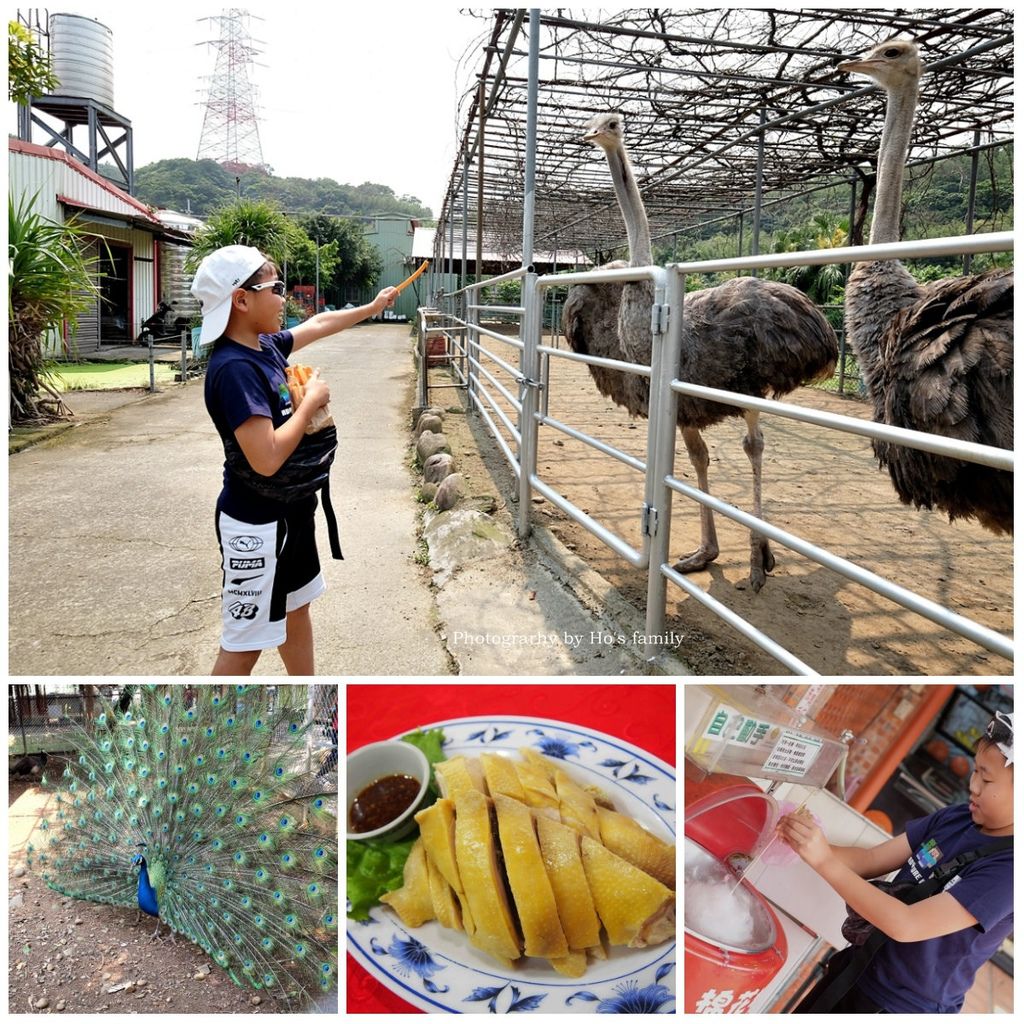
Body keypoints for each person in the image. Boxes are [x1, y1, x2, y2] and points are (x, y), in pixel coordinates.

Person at [193, 245, 398, 675]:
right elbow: (265, 458)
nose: (284, 297)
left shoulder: (264, 346)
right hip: (257, 525)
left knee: (296, 610)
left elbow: (321, 323)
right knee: (244, 645)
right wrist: (311, 404)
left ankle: (308, 691)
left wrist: (374, 306)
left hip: (292, 514)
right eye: (275, 287)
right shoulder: (234, 369)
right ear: (242, 300)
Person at [778, 711, 1013, 1013]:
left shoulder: (1009, 872)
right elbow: (870, 859)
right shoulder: (956, 817)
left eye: (987, 777)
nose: (974, 785)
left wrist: (824, 859)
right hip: (858, 970)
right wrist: (805, 840)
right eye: (976, 771)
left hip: (901, 1006)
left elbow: (907, 925)